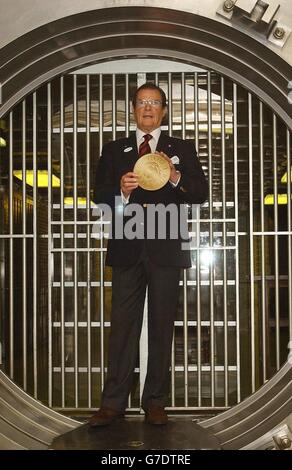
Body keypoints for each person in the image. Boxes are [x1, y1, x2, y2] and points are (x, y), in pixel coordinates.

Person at [89, 82, 208, 426]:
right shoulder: (114, 150)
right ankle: (112, 404)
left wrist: (174, 176)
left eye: (154, 102)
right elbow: (99, 199)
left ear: (164, 110)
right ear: (133, 109)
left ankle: (155, 401)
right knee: (122, 328)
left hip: (167, 248)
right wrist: (121, 195)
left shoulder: (180, 149)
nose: (148, 108)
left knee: (161, 327)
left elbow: (199, 193)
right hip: (128, 247)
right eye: (141, 103)